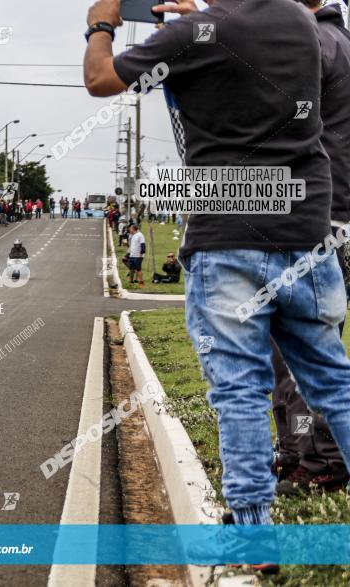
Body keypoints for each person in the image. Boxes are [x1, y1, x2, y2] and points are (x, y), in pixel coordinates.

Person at [85, 0, 350, 534]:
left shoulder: (190, 36)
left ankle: (253, 529)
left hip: (228, 236)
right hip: (307, 232)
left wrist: (101, 23)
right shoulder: (303, 24)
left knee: (239, 390)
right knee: (333, 380)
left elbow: (100, 78)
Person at [269, 0, 350, 497]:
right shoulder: (331, 39)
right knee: (287, 347)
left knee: (303, 350)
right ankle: (298, 451)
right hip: (317, 214)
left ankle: (323, 460)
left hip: (312, 218)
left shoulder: (315, 43)